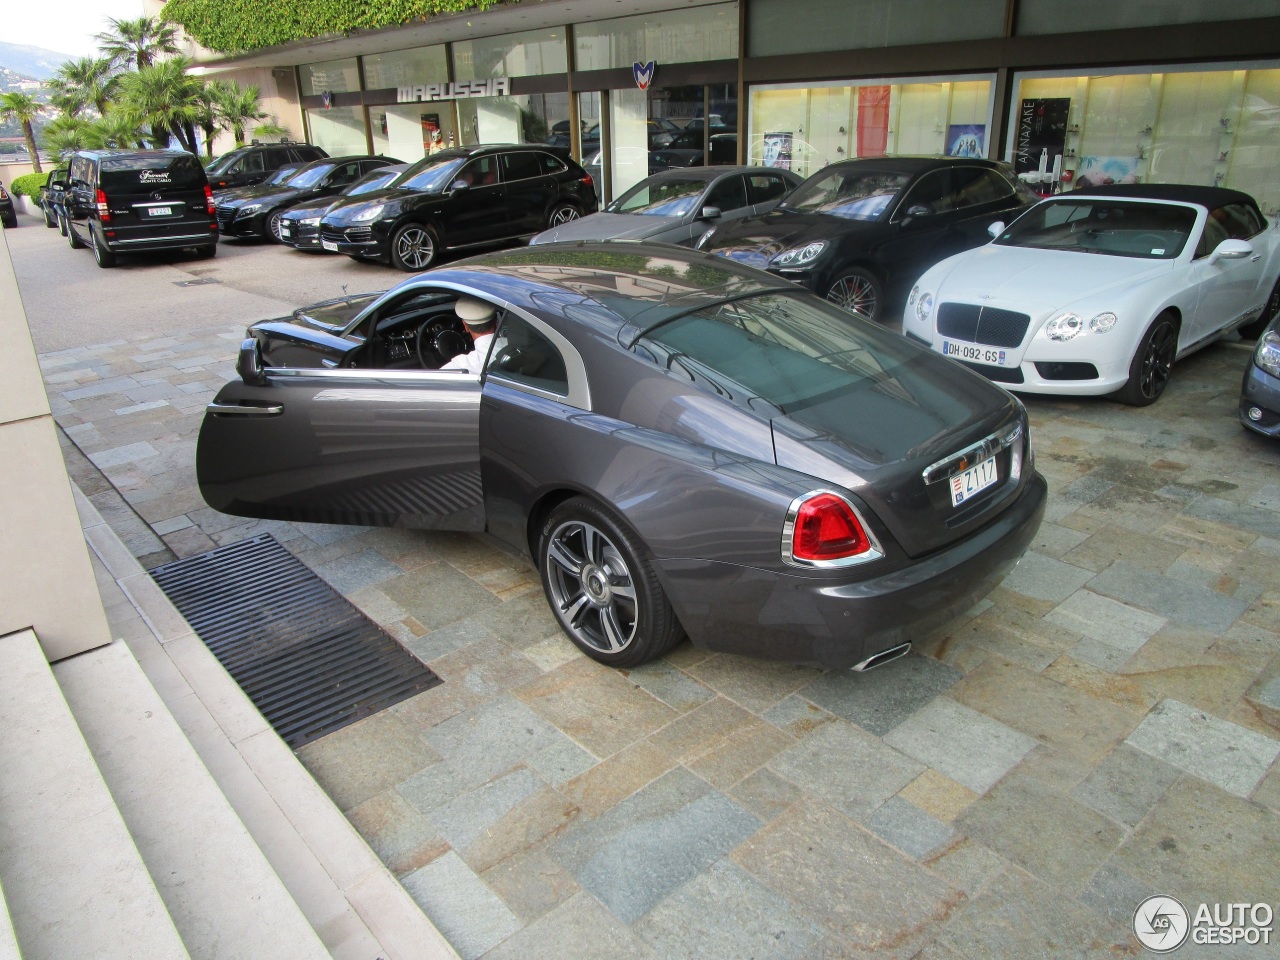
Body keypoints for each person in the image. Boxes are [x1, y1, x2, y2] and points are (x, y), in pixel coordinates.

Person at [441, 296, 499, 374]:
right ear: (496, 321)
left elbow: (430, 382)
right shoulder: (515, 343)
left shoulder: (463, 365)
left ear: (465, 326)